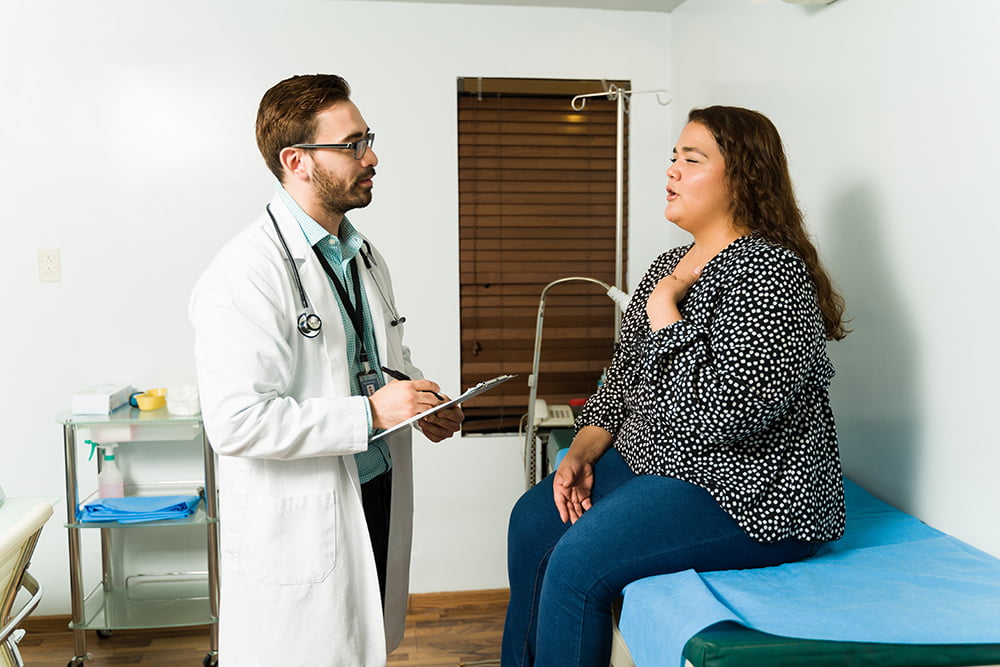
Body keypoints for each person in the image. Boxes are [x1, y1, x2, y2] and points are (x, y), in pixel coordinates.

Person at [501, 105, 850, 667]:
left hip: (749, 489)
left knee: (577, 564)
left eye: (692, 160)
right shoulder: (670, 264)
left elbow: (726, 411)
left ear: (743, 175)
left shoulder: (773, 273)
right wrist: (582, 453)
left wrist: (667, 310)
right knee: (532, 520)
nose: (672, 172)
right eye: (673, 158)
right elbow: (620, 383)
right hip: (660, 462)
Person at [189, 74, 463, 667]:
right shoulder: (245, 272)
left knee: (363, 649)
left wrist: (420, 399)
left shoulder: (362, 254)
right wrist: (370, 411)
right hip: (302, 515)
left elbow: (378, 354)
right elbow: (236, 422)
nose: (373, 157)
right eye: (353, 144)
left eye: (368, 139)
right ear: (297, 161)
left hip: (374, 486)